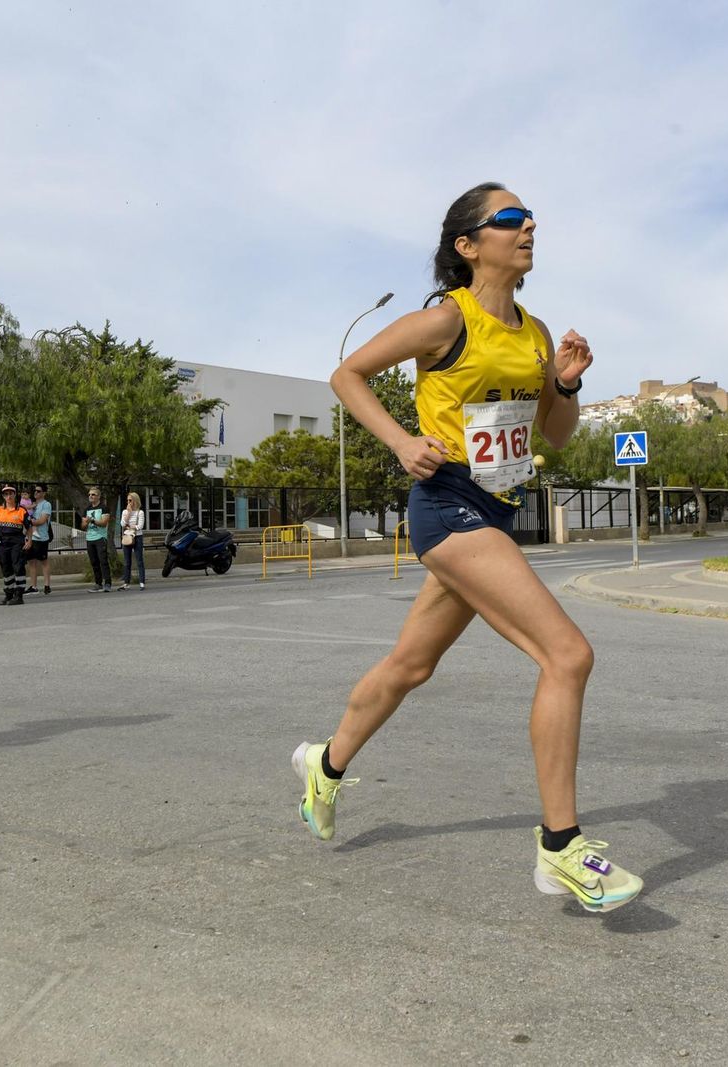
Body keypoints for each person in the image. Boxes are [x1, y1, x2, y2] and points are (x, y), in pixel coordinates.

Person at [292, 184, 641, 913]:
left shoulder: (537, 333)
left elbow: (553, 435)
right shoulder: (444, 319)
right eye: (510, 220)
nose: (529, 227)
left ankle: (323, 767)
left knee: (410, 665)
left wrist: (568, 384)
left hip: (497, 507)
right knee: (567, 654)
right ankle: (561, 848)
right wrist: (399, 441)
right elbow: (346, 374)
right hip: (447, 504)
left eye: (531, 218)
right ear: (468, 245)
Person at [0, 484, 31, 605]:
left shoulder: (22, 510)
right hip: (2, 544)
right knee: (6, 568)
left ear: (14, 494)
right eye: (6, 494)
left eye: (11, 493)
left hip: (17, 543)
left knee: (18, 568)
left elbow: (29, 528)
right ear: (3, 496)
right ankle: (9, 594)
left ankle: (19, 596)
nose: (8, 496)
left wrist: (30, 540)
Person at [80, 486, 112, 592]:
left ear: (98, 496)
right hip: (90, 538)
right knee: (94, 562)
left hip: (100, 538)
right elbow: (83, 526)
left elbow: (104, 523)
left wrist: (92, 520)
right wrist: (85, 522)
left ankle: (107, 583)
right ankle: (98, 583)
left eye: (93, 494)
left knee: (103, 560)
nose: (90, 496)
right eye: (89, 494)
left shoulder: (104, 508)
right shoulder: (87, 509)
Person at [27, 483, 54, 594]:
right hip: (31, 537)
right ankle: (34, 586)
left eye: (38, 491)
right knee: (31, 562)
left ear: (44, 493)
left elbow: (42, 520)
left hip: (41, 537)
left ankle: (47, 585)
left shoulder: (46, 504)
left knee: (43, 561)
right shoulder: (32, 505)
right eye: (35, 491)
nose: (36, 493)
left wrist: (30, 521)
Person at [119, 491, 146, 589]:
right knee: (127, 561)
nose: (128, 502)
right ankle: (126, 583)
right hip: (127, 537)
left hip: (137, 537)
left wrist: (131, 526)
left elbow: (140, 526)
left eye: (130, 500)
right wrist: (128, 513)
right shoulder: (125, 512)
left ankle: (142, 581)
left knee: (139, 560)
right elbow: (122, 524)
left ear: (135, 501)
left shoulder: (140, 512)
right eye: (127, 500)